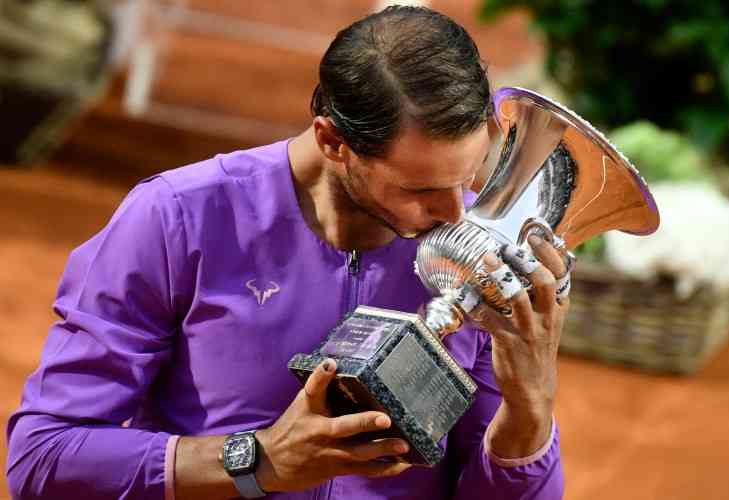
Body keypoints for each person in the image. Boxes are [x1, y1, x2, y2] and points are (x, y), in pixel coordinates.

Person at [6, 6, 569, 500]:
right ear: (332, 142)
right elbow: (45, 457)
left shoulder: (477, 259)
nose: (454, 214)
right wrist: (260, 461)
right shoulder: (177, 217)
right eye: (419, 190)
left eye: (468, 178)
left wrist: (530, 408)